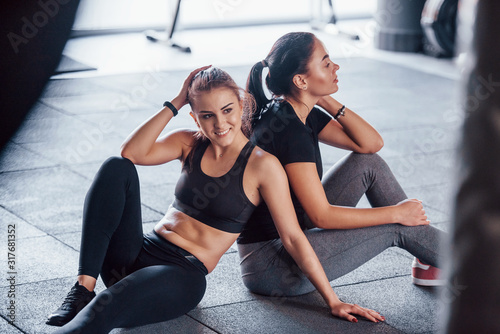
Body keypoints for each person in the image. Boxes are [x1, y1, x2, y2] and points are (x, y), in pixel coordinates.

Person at [46, 66, 385, 334]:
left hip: (180, 275)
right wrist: (176, 102)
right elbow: (130, 153)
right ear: (195, 117)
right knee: (116, 168)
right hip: (135, 252)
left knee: (109, 306)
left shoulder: (263, 166)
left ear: (242, 105)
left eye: (227, 110)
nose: (219, 123)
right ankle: (82, 288)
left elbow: (293, 236)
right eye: (207, 115)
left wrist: (333, 300)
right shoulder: (188, 142)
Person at [238, 32, 446, 298]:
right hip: (274, 266)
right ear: (300, 80)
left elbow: (370, 144)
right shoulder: (288, 129)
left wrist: (322, 97)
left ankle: (430, 255)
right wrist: (396, 214)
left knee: (368, 163)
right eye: (325, 64)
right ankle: (474, 262)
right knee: (397, 225)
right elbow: (320, 216)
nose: (336, 67)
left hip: (293, 236)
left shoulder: (297, 111)